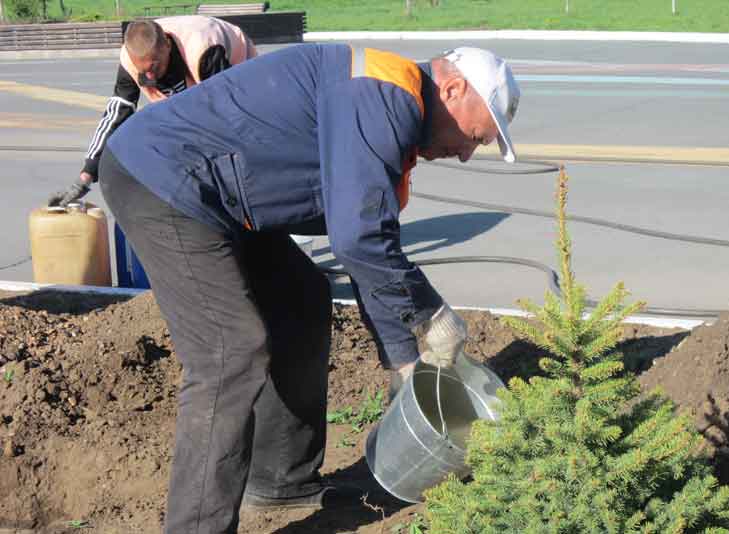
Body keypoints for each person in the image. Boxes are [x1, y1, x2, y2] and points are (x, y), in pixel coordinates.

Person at [98, 43, 520, 533]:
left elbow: (367, 245)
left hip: (221, 195)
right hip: (162, 178)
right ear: (453, 88)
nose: (466, 154)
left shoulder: (389, 108)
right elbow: (359, 238)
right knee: (228, 351)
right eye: (474, 136)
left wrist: (403, 360)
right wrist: (432, 312)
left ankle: (282, 480)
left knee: (301, 299)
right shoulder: (387, 97)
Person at [47, 15, 257, 208]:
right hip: (188, 82)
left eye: (154, 67)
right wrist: (85, 176)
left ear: (167, 45)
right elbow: (116, 114)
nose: (149, 75)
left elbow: (224, 115)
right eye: (142, 70)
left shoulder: (203, 50)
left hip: (238, 72)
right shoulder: (131, 59)